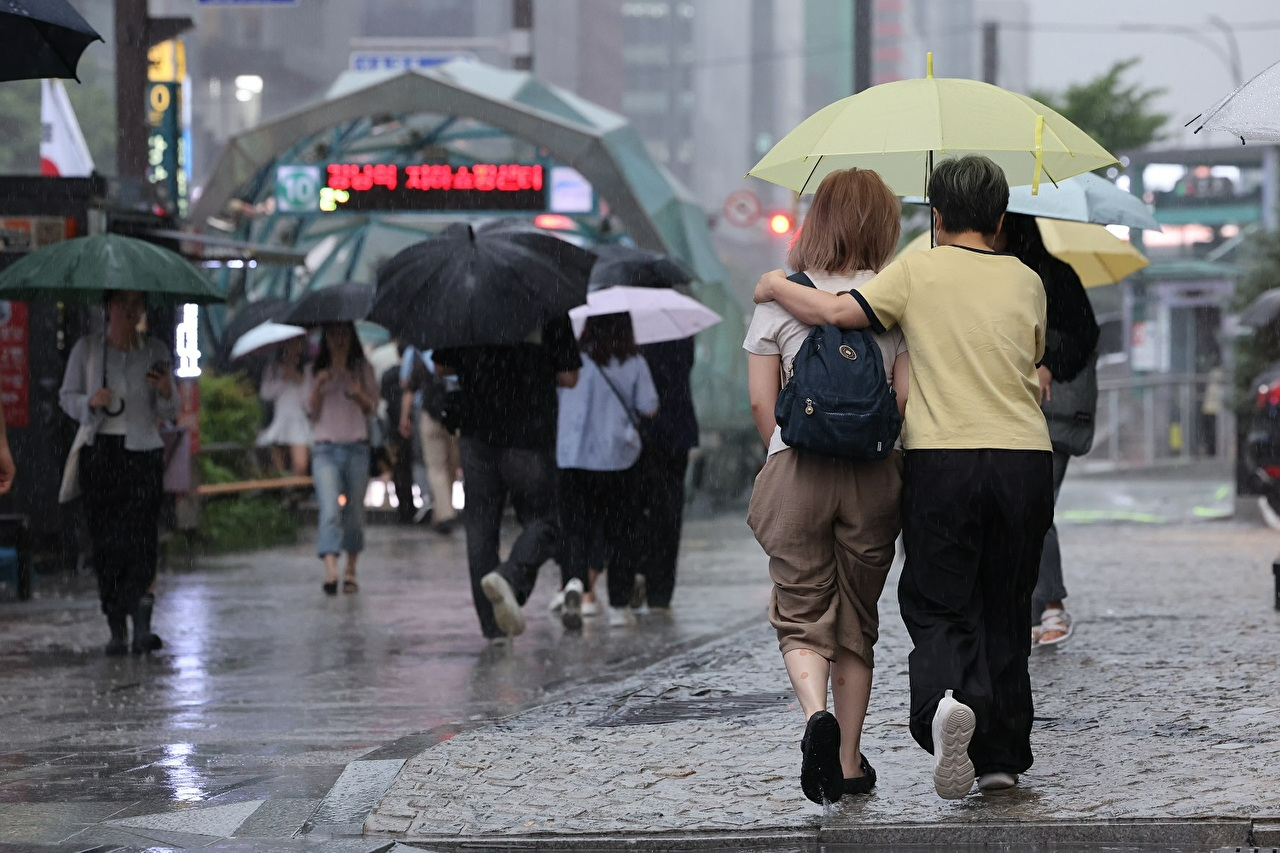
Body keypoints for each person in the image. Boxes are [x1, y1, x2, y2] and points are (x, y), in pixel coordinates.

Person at [754, 154, 1054, 800]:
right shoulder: (1028, 280)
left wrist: (777, 287)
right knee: (1007, 599)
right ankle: (1001, 755)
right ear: (1001, 219)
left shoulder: (916, 268)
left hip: (943, 459)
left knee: (940, 600)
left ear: (937, 216)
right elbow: (1032, 362)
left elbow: (837, 314)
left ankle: (948, 703)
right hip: (1024, 461)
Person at [744, 168, 909, 804]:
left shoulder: (776, 298)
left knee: (801, 611)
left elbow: (763, 405)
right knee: (855, 622)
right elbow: (902, 400)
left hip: (796, 470)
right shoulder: (890, 297)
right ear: (882, 225)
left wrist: (787, 453)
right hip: (873, 475)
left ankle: (815, 712)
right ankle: (847, 761)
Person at [434, 317, 581, 645]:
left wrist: (481, 360)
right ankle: (510, 576)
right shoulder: (549, 302)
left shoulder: (470, 303)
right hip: (528, 436)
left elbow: (442, 366)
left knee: (481, 529)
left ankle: (493, 628)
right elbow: (570, 376)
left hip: (475, 434)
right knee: (547, 520)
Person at [998, 213, 1099, 648]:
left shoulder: (1048, 275)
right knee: (1021, 506)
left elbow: (1082, 334)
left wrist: (1047, 363)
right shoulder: (996, 275)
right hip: (1012, 411)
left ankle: (1051, 604)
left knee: (1033, 504)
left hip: (1049, 412)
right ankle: (1031, 604)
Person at [59, 289, 177, 656]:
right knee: (107, 541)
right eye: (122, 303)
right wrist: (89, 402)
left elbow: (170, 411)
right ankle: (116, 624)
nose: (130, 311)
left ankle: (142, 624)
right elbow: (67, 395)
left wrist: (165, 389)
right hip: (102, 452)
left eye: (137, 304)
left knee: (142, 539)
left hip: (143, 451)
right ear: (108, 307)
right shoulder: (89, 350)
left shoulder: (155, 349)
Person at [556, 312, 658, 630]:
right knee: (620, 533)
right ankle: (618, 605)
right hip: (618, 459)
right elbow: (649, 405)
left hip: (573, 457)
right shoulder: (634, 361)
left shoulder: (572, 359)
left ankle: (574, 583)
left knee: (574, 527)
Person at [622, 333, 699, 613]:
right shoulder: (677, 328)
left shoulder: (626, 330)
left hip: (637, 432)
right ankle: (660, 592)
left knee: (631, 509)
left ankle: (635, 568)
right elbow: (683, 368)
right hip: (675, 432)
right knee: (668, 513)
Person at [303, 322, 378, 596]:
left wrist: (359, 395)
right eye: (333, 335)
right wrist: (318, 387)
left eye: (344, 334)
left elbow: (373, 408)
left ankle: (351, 569)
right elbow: (310, 412)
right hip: (325, 449)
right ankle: (331, 570)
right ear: (326, 339)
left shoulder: (362, 369)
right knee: (330, 509)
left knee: (355, 512)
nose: (339, 340)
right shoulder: (314, 371)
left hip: (357, 447)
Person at [400, 346, 460, 535]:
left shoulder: (417, 352)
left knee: (438, 468)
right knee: (447, 466)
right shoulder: (458, 347)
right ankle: (445, 513)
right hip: (454, 414)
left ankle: (442, 512)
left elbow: (407, 386)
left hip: (431, 414)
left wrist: (404, 417)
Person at [256, 335, 311, 477]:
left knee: (300, 465)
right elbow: (265, 394)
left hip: (298, 421)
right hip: (279, 421)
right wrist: (283, 380)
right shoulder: (273, 368)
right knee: (278, 468)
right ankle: (284, 492)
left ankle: (294, 491)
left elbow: (308, 402)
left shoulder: (306, 369)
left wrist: (297, 379)